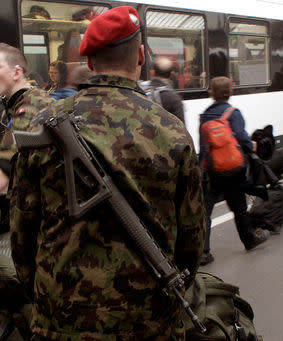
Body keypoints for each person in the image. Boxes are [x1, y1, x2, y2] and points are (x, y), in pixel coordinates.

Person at [9, 6, 205, 340]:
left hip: (61, 316)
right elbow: (192, 240)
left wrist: (42, 293)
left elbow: (22, 228)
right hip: (148, 319)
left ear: (88, 62)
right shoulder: (172, 131)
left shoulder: (45, 120)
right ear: (141, 56)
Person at [0, 43, 54, 340]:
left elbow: (5, 178)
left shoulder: (29, 108)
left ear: (17, 72)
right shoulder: (17, 105)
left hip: (30, 222)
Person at [199, 76, 269, 265]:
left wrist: (201, 169)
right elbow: (242, 139)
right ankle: (249, 239)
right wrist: (251, 146)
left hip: (212, 170)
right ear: (230, 92)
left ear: (212, 93)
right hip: (232, 169)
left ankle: (203, 252)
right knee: (239, 207)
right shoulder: (233, 113)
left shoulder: (205, 115)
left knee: (205, 210)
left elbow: (203, 146)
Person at [146, 56, 185, 123]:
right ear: (171, 74)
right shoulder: (173, 98)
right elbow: (181, 127)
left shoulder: (142, 91)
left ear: (152, 72)